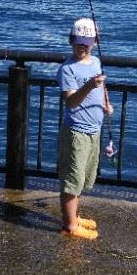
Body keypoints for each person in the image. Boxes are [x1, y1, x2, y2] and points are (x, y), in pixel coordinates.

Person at [57, 18, 113, 240]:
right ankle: (70, 225)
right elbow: (71, 102)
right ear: (71, 41)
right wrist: (89, 85)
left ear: (94, 43)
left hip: (94, 130)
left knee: (82, 177)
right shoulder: (67, 69)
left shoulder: (96, 61)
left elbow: (102, 86)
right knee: (72, 179)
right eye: (78, 42)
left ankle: (74, 216)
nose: (82, 47)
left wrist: (106, 102)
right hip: (76, 132)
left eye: (86, 43)